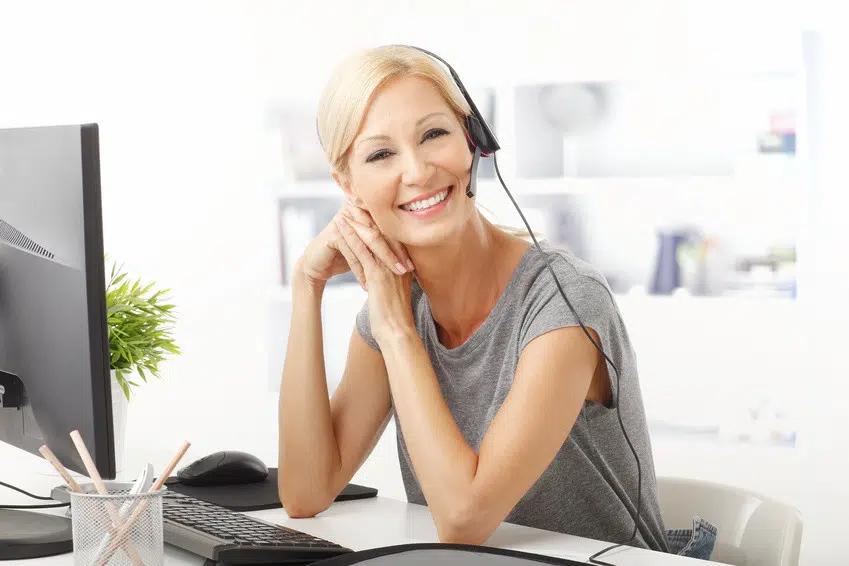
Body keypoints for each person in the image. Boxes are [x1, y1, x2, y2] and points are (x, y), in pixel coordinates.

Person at [277, 44, 715, 560]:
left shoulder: (563, 301)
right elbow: (306, 493)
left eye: (434, 134)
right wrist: (307, 284)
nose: (417, 171)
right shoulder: (398, 308)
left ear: (473, 141)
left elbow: (465, 519)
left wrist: (397, 334)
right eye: (381, 154)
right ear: (348, 187)